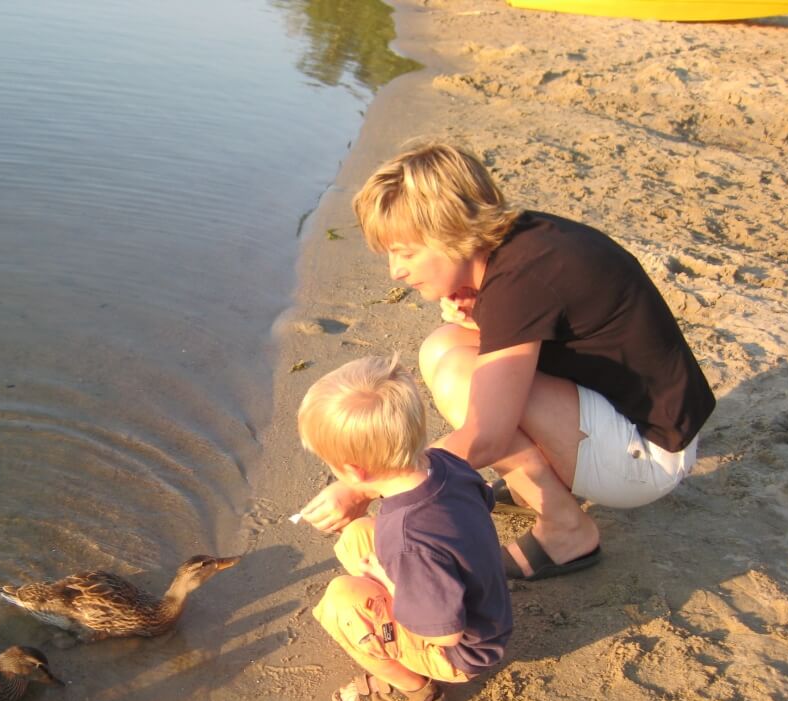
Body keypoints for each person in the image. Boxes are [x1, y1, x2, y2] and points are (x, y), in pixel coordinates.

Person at [301, 143, 715, 581]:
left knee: (463, 376)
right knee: (444, 346)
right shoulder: (524, 246)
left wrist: (363, 485)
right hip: (640, 419)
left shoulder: (520, 283)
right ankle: (543, 481)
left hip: (647, 459)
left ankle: (565, 530)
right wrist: (480, 314)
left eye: (405, 252)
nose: (395, 271)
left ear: (448, 232)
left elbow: (487, 437)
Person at [297, 355, 512, 701]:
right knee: (358, 535)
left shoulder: (408, 538)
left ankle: (411, 690)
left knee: (341, 602)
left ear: (353, 470)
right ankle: (397, 602)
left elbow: (446, 633)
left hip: (462, 651)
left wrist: (387, 579)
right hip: (483, 603)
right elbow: (482, 501)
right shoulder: (445, 464)